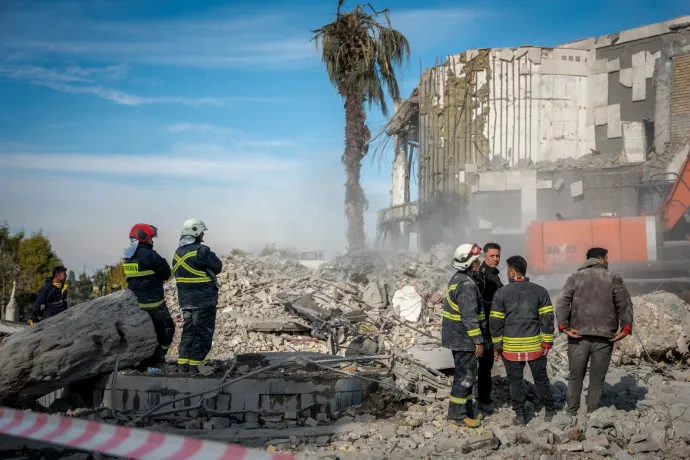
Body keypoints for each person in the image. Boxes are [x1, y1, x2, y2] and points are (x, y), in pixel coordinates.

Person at [556, 247, 633, 415]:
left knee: (575, 377)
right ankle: (592, 413)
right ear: (601, 259)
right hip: (605, 337)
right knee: (597, 379)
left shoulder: (574, 277)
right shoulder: (613, 278)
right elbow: (625, 304)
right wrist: (625, 328)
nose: (608, 261)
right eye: (607, 258)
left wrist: (564, 326)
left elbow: (562, 301)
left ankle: (571, 412)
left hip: (578, 336)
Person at [490, 255, 555, 425]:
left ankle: (520, 415)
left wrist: (497, 345)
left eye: (507, 270)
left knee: (515, 382)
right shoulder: (540, 291)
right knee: (541, 378)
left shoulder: (501, 293)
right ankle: (549, 411)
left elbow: (495, 322)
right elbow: (547, 319)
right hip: (535, 347)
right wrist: (547, 342)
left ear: (511, 272)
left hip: (510, 349)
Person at [442, 243, 486, 428]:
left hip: (457, 338)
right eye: (476, 260)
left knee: (466, 375)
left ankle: (465, 411)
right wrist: (478, 341)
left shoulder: (457, 279)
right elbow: (469, 317)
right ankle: (459, 416)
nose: (479, 263)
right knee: (465, 376)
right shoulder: (466, 285)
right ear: (468, 262)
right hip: (464, 339)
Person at [123, 223, 176, 371]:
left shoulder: (128, 257)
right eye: (151, 238)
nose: (153, 241)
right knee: (167, 329)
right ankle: (156, 359)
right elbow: (166, 273)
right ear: (143, 237)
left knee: (143, 334)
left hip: (135, 304)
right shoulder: (149, 255)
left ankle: (142, 361)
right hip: (154, 304)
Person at [174, 218, 223, 374]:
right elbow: (218, 266)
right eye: (202, 232)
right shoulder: (201, 251)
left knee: (188, 332)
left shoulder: (177, 253)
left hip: (186, 301)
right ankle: (196, 366)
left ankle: (183, 365)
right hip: (203, 301)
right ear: (195, 232)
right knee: (202, 333)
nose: (203, 235)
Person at [472, 242, 503, 414]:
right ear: (484, 257)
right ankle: (481, 400)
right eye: (491, 256)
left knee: (486, 366)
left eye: (497, 256)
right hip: (481, 329)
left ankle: (484, 398)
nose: (495, 259)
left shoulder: (494, 275)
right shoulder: (481, 277)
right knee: (481, 366)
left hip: (491, 329)